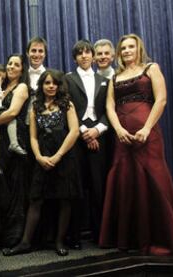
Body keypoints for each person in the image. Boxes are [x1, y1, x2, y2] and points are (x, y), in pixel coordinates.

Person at [99, 33, 173, 255]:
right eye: (123, 48)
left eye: (130, 47)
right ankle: (130, 239)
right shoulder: (115, 77)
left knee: (155, 179)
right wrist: (118, 130)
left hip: (148, 134)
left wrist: (146, 128)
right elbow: (110, 106)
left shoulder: (151, 68)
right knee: (126, 181)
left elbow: (161, 99)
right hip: (123, 137)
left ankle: (163, 237)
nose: (126, 51)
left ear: (138, 49)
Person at [2, 70, 81, 257]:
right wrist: (38, 157)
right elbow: (33, 137)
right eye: (47, 83)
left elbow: (74, 131)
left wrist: (58, 156)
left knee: (64, 200)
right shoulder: (35, 106)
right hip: (41, 159)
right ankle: (25, 243)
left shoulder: (67, 105)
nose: (51, 86)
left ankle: (60, 242)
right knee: (35, 200)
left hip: (64, 158)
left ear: (59, 85)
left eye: (54, 83)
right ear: (42, 86)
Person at [65, 40, 109, 248]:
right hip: (76, 136)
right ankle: (74, 236)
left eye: (87, 52)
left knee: (98, 187)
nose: (84, 56)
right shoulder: (67, 79)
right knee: (76, 188)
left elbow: (110, 111)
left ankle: (100, 234)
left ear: (93, 56)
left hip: (99, 137)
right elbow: (65, 107)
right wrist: (84, 133)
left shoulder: (104, 80)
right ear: (75, 58)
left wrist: (97, 131)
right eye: (79, 53)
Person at [0, 54, 31, 248]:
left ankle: (13, 237)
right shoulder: (0, 88)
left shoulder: (22, 87)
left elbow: (13, 112)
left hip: (15, 138)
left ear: (22, 69)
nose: (11, 67)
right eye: (9, 63)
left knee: (15, 186)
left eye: (16, 64)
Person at [26, 37, 48, 125]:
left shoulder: (54, 76)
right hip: (23, 126)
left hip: (46, 124)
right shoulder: (20, 76)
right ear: (27, 53)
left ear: (45, 54)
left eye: (40, 51)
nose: (37, 54)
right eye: (33, 50)